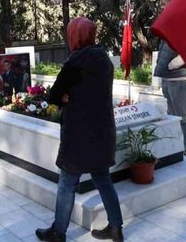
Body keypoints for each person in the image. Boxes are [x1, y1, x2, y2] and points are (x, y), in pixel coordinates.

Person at [35, 17, 124, 242]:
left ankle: (58, 232)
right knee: (103, 180)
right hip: (102, 132)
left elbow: (54, 94)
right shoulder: (104, 60)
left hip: (78, 135)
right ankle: (116, 228)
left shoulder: (75, 62)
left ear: (75, 36)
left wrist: (66, 97)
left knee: (66, 183)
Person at [154, 0, 186, 158]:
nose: (162, 7)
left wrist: (173, 64)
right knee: (172, 116)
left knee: (183, 117)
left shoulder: (185, 20)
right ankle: (176, 148)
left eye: (165, 3)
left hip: (179, 77)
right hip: (168, 78)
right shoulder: (171, 19)